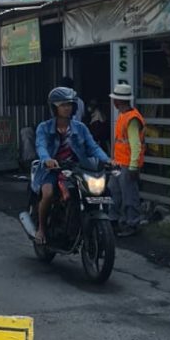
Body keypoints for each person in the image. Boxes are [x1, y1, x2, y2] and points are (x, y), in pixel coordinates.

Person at [31, 86, 112, 245]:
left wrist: (107, 159)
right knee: (47, 193)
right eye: (63, 105)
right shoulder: (44, 127)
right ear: (54, 107)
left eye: (69, 104)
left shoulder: (80, 128)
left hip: (76, 168)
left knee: (100, 191)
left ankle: (82, 223)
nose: (67, 108)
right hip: (53, 169)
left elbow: (93, 147)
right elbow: (40, 145)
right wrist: (47, 159)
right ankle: (41, 228)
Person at [109, 81, 145, 237]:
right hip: (119, 164)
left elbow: (136, 145)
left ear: (118, 101)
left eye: (114, 100)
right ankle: (114, 221)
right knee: (114, 193)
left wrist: (133, 166)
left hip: (127, 165)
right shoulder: (125, 115)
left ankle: (132, 224)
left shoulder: (132, 118)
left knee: (129, 195)